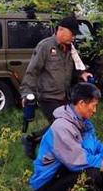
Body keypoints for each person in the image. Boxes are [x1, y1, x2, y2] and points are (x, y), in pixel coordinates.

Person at [30, 82, 103, 191]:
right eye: (93, 106)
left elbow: (97, 147)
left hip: (64, 173)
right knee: (92, 174)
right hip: (47, 185)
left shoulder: (84, 123)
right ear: (82, 103)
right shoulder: (62, 128)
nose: (95, 110)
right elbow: (80, 163)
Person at [20, 16, 93, 158]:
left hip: (65, 95)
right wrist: (26, 92)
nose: (73, 37)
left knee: (74, 121)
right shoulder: (45, 46)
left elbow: (76, 66)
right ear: (61, 30)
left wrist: (82, 74)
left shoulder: (70, 49)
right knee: (62, 123)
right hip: (48, 96)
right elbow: (32, 71)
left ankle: (34, 140)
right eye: (72, 34)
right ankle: (35, 142)